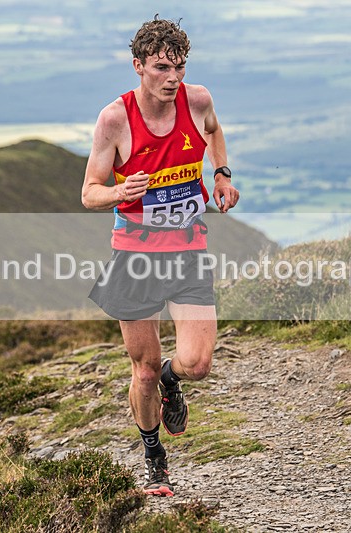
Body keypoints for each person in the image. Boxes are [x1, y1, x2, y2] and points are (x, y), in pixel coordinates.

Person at [81, 16, 239, 496]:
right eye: (162, 68)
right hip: (135, 258)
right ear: (139, 67)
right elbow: (89, 193)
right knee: (143, 369)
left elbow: (213, 132)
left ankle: (176, 380)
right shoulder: (115, 119)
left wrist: (222, 175)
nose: (174, 78)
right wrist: (119, 191)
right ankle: (154, 460)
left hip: (189, 251)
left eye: (180, 67)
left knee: (197, 363)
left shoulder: (197, 99)